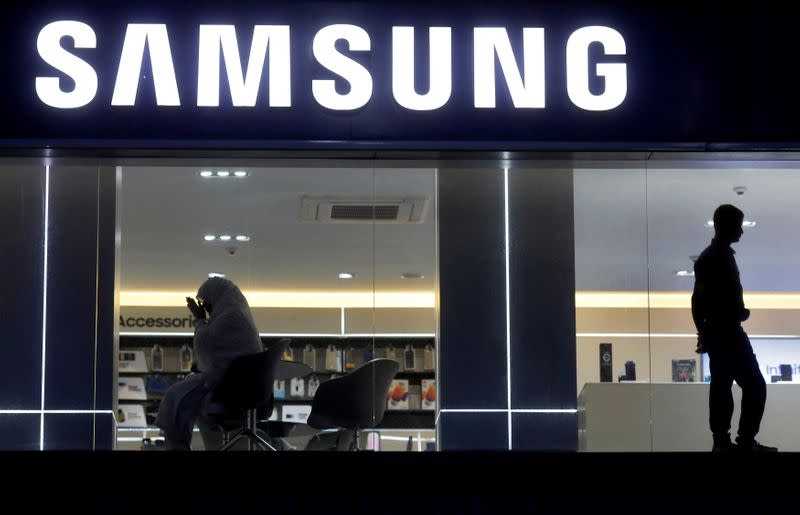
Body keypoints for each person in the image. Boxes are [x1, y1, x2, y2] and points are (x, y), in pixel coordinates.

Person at [692, 204, 776, 453]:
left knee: (724, 385)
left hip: (723, 331)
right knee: (750, 386)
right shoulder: (712, 258)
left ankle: (726, 440)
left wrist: (705, 331)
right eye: (738, 225)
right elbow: (698, 301)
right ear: (724, 225)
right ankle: (739, 440)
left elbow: (701, 301)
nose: (741, 230)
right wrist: (706, 330)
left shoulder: (719, 256)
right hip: (726, 332)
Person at [155, 277, 263, 450]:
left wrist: (199, 319)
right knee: (182, 392)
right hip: (243, 387)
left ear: (216, 298)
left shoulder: (229, 318)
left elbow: (204, 345)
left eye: (206, 303)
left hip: (227, 387)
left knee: (176, 395)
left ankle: (176, 444)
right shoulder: (239, 316)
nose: (205, 308)